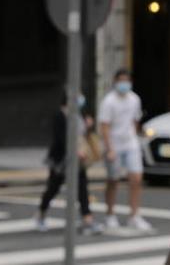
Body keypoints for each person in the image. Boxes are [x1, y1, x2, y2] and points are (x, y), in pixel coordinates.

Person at [36, 92, 103, 234]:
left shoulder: (79, 115)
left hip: (79, 160)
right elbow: (61, 138)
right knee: (53, 188)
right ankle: (41, 214)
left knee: (82, 189)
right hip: (62, 160)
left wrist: (89, 126)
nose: (80, 100)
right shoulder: (60, 115)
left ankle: (87, 219)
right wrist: (74, 150)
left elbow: (83, 135)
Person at [98, 68, 152, 230]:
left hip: (130, 144)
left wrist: (136, 137)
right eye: (121, 81)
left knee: (136, 179)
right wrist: (109, 149)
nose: (124, 84)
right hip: (114, 144)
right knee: (113, 180)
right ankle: (110, 214)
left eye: (127, 81)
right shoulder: (108, 101)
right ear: (115, 82)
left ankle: (134, 215)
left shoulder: (134, 99)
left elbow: (135, 121)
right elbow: (104, 126)